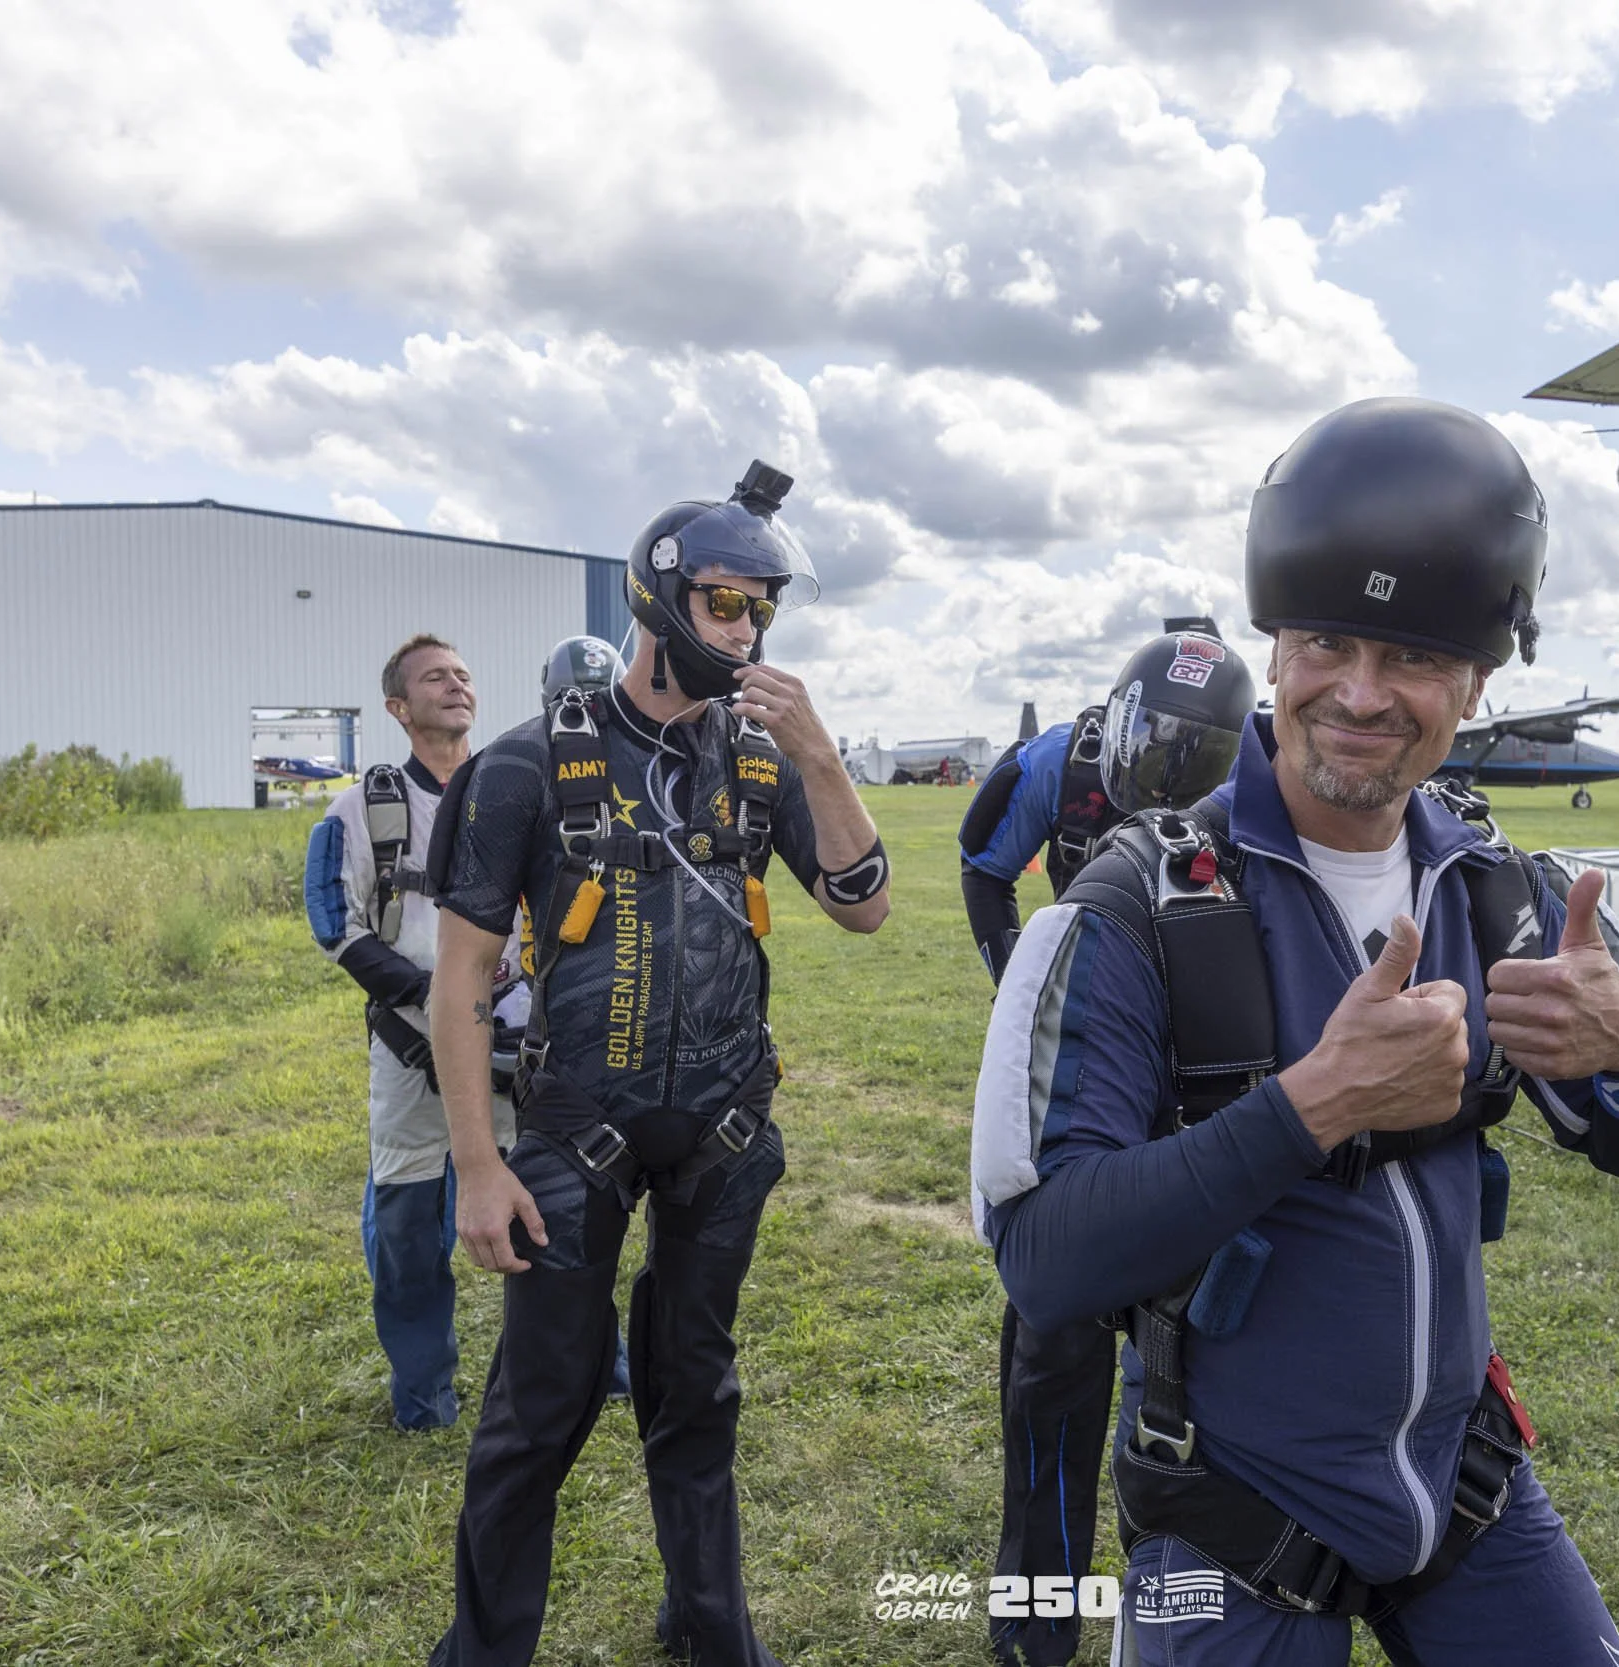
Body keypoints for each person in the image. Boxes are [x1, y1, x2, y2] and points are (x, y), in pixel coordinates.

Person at [970, 398, 1619, 1666]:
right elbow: (1044, 1257)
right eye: (1324, 642)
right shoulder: (1134, 908)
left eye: (1414, 655)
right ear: (1274, 647)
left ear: (1480, 677)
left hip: (1463, 1489)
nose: (1360, 695)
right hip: (1225, 1525)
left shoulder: (1502, 892)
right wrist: (1313, 1102)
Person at [426, 461, 891, 1667]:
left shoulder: (763, 756)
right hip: (574, 1134)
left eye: (758, 610)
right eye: (723, 605)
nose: (741, 631)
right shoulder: (527, 763)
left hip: (724, 1136)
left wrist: (821, 756)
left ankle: (710, 1629)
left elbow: (863, 905)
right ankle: (484, 1651)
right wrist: (478, 1165)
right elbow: (462, 981)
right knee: (542, 1409)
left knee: (698, 1392)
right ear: (660, 603)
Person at [957, 621, 1256, 1667]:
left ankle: (1198, 1598)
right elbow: (981, 863)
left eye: (1201, 751)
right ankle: (1036, 1619)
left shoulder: (1264, 773)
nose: (1173, 770)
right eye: (1157, 742)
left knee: (1217, 1353)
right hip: (1091, 1070)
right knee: (1055, 1346)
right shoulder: (1056, 760)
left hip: (1211, 1081)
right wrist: (1025, 991)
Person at [304, 633, 520, 1432]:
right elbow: (335, 919)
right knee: (404, 1230)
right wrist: (429, 1000)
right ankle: (425, 1396)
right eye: (435, 677)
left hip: (520, 1044)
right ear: (398, 706)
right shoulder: (358, 810)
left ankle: (592, 1364)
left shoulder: (516, 788)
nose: (456, 684)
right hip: (409, 1050)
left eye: (464, 673)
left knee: (561, 1209)